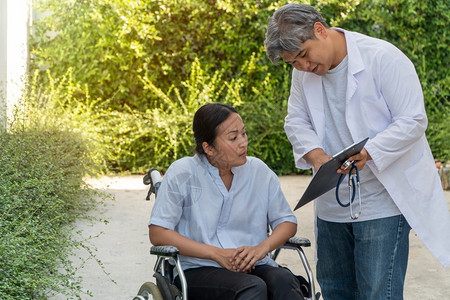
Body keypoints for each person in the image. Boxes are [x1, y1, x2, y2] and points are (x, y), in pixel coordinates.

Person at [264, 3, 450, 300]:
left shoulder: (382, 57)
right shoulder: (303, 73)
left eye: (303, 56)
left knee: (378, 293)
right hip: (330, 204)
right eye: (293, 64)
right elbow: (296, 120)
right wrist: (315, 155)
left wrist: (372, 152)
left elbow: (413, 120)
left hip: (382, 202)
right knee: (335, 290)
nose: (302, 67)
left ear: (320, 30)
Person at [148, 102, 306, 300]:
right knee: (252, 288)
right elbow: (158, 232)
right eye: (233, 137)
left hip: (254, 264)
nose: (243, 142)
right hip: (199, 268)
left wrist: (261, 248)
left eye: (243, 133)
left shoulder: (259, 171)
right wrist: (216, 254)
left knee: (284, 281)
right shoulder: (184, 173)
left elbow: (287, 221)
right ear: (209, 148)